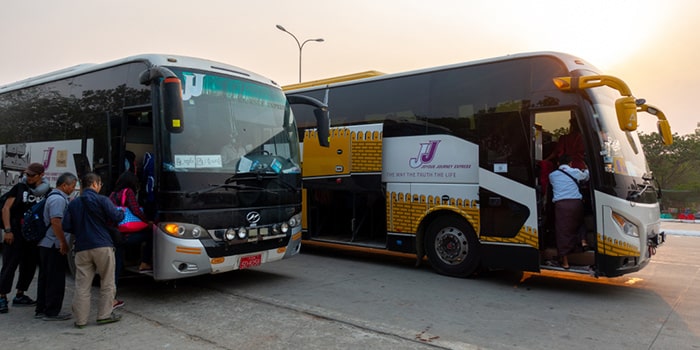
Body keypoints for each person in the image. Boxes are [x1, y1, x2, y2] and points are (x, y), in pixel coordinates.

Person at [63, 172, 124, 328]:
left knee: (82, 285)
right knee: (107, 282)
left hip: (82, 248)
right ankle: (104, 315)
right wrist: (122, 212)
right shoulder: (102, 200)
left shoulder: (73, 203)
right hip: (103, 246)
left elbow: (66, 226)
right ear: (96, 184)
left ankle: (81, 320)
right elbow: (116, 217)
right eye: (100, 184)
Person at [0, 163, 50, 314]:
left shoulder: (48, 191)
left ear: (41, 175)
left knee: (29, 265)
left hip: (33, 236)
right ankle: (2, 297)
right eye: (26, 174)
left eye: (31, 175)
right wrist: (8, 230)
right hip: (15, 233)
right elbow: (6, 208)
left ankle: (20, 294)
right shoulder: (19, 188)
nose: (27, 177)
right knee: (9, 265)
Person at [35, 172, 78, 321]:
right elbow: (55, 222)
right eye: (72, 186)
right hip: (52, 244)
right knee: (55, 279)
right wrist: (62, 242)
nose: (73, 189)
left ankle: (42, 308)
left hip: (47, 244)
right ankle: (52, 311)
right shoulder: (58, 200)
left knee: (45, 277)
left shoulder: (53, 197)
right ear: (64, 185)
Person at [548, 155, 590, 269]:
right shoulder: (575, 171)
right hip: (576, 203)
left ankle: (565, 263)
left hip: (561, 206)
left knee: (563, 232)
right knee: (579, 222)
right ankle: (583, 241)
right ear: (571, 163)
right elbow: (586, 176)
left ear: (558, 163)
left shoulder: (552, 175)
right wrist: (586, 168)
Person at [109, 171, 152, 275]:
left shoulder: (112, 194)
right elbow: (135, 210)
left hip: (116, 232)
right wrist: (147, 221)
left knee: (117, 260)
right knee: (151, 235)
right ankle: (145, 262)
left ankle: (113, 286)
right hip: (127, 233)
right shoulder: (128, 192)